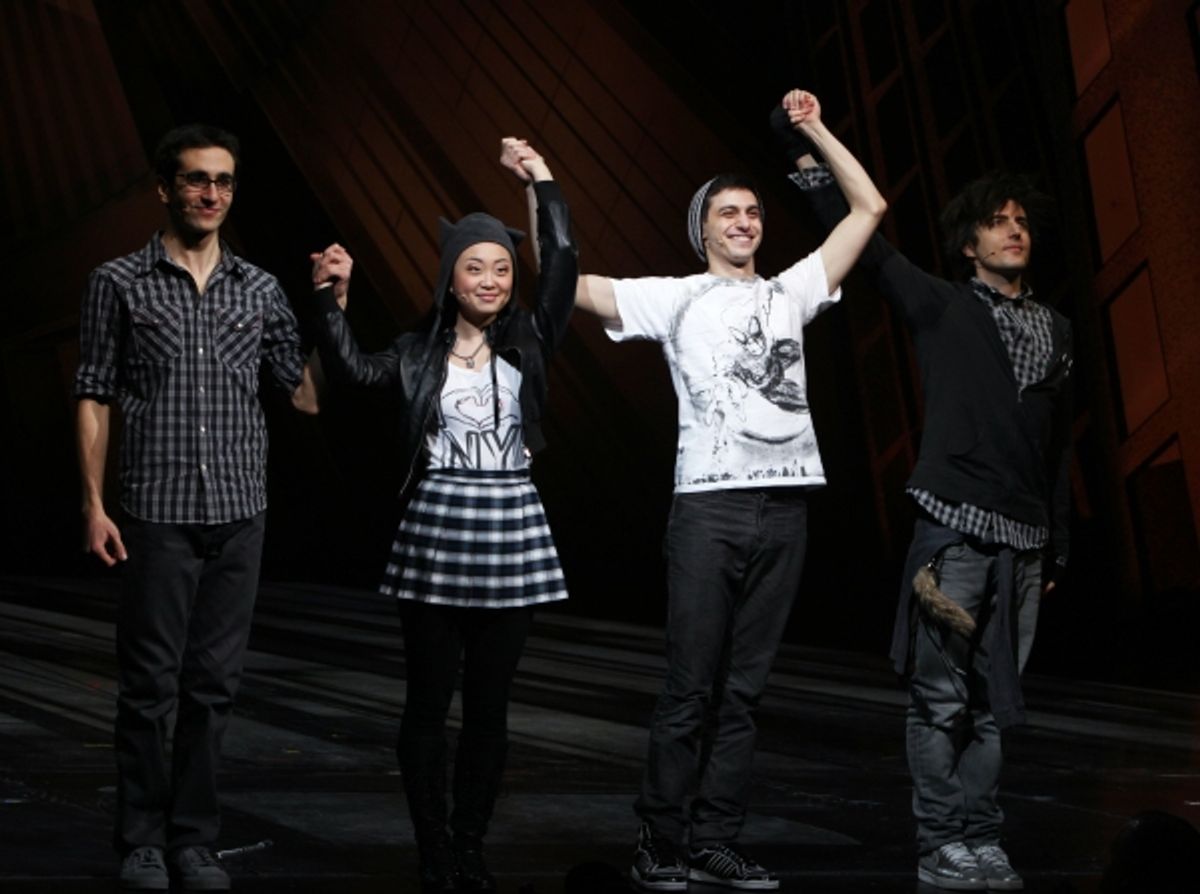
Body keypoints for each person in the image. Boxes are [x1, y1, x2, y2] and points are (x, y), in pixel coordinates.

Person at [571, 89, 886, 891]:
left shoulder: (791, 291)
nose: (745, 221)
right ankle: (660, 841)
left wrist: (812, 127)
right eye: (728, 213)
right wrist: (532, 209)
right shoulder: (678, 296)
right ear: (702, 229)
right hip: (708, 508)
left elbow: (869, 205)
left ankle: (714, 839)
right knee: (689, 689)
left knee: (743, 695)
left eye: (752, 211)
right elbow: (576, 286)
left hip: (785, 508)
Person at [785, 117, 1073, 889]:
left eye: (1021, 223)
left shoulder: (1057, 328)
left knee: (993, 703)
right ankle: (941, 838)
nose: (1013, 232)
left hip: (1025, 536)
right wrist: (804, 149)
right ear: (968, 244)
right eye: (996, 222)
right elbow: (868, 251)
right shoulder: (943, 303)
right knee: (941, 699)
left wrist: (1058, 545)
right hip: (954, 525)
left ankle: (981, 835)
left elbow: (1058, 448)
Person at [308, 138, 577, 892]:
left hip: (511, 532)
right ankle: (432, 848)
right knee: (428, 703)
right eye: (475, 267)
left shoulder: (528, 340)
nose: (491, 279)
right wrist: (332, 301)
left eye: (500, 267)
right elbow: (359, 375)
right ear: (449, 280)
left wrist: (543, 180)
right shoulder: (418, 350)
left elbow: (561, 265)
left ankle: (469, 845)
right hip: (436, 531)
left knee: (489, 710)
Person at [74, 124, 321, 891]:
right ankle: (142, 839)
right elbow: (93, 394)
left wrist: (328, 308)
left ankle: (194, 839)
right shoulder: (118, 281)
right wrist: (93, 503)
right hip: (156, 509)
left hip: (241, 510)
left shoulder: (260, 288)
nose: (210, 193)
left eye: (223, 181)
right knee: (149, 687)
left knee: (212, 688)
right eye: (195, 180)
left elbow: (304, 396)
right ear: (165, 188)